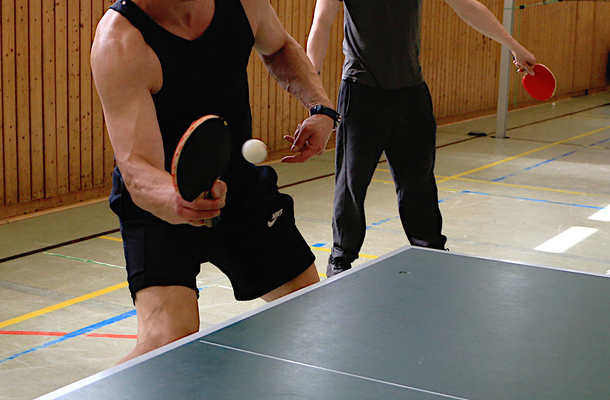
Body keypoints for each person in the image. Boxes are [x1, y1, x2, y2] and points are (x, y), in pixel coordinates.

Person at [91, 0, 337, 363]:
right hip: (162, 203)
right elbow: (136, 165)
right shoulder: (121, 40)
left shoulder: (244, 4)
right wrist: (178, 199)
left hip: (240, 188)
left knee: (308, 311)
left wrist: (320, 108)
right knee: (167, 342)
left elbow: (280, 46)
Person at [307, 0, 537, 277]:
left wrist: (514, 45)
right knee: (351, 183)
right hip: (362, 92)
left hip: (411, 93)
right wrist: (313, 97)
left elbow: (469, 8)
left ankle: (430, 251)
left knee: (419, 181)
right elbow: (321, 23)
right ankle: (341, 258)